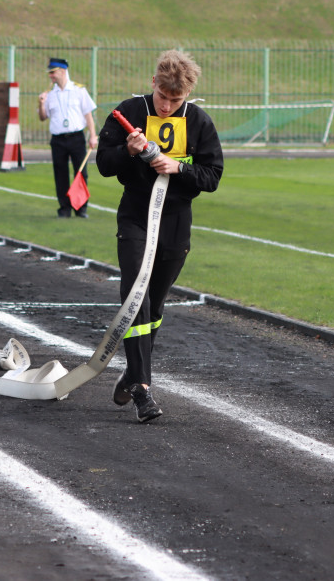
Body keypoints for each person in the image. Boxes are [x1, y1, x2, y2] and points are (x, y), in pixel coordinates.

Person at [96, 49, 224, 422]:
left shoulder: (199, 121)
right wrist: (127, 151)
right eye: (163, 97)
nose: (167, 106)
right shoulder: (130, 110)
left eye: (176, 100)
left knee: (155, 303)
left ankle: (134, 373)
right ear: (153, 82)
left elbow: (212, 177)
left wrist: (178, 168)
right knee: (135, 294)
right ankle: (142, 390)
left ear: (187, 95)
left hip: (175, 221)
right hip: (136, 214)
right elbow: (104, 164)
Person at [37, 57, 98, 218]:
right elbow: (43, 117)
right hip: (58, 140)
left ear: (62, 71)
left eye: (53, 72)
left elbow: (88, 114)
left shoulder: (79, 90)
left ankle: (80, 208)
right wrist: (41, 104)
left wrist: (93, 135)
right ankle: (64, 209)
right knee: (60, 173)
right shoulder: (49, 95)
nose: (50, 76)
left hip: (76, 137)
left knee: (81, 173)